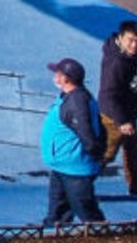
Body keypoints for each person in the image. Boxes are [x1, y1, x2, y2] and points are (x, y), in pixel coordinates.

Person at [41, 56, 106, 226]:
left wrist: (95, 156)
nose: (54, 76)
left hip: (75, 170)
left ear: (66, 78)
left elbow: (87, 133)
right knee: (56, 216)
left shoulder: (77, 102)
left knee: (89, 215)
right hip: (61, 166)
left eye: (57, 73)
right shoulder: (68, 97)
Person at [99, 20, 137, 196]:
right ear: (121, 37)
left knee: (133, 148)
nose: (134, 45)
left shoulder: (134, 57)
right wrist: (123, 121)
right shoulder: (117, 62)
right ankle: (79, 185)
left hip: (128, 114)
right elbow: (108, 94)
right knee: (107, 153)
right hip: (114, 117)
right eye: (130, 40)